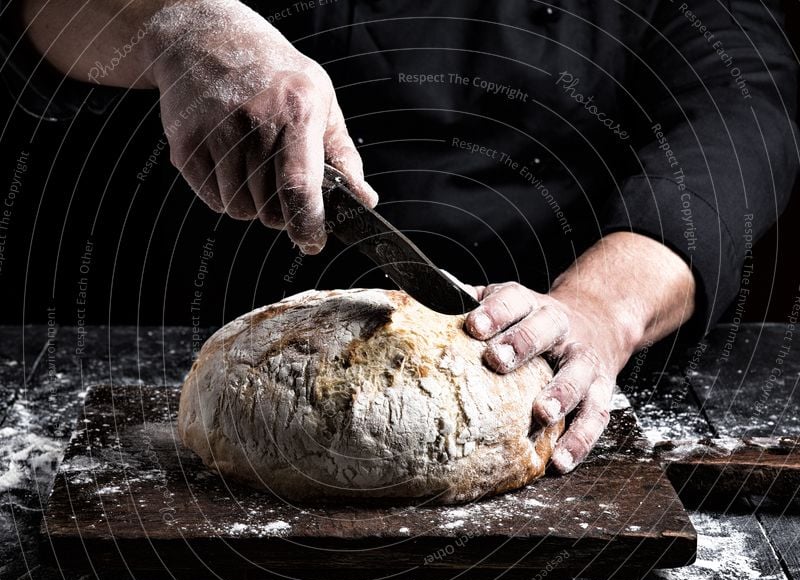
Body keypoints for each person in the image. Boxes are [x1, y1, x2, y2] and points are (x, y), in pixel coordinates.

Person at [5, 0, 797, 473]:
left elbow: (744, 110)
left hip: (536, 359)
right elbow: (45, 15)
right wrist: (177, 20)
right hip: (191, 341)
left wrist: (603, 307)